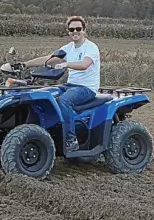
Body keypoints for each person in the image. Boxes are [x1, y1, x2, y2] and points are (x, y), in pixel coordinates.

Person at [20, 15, 100, 154]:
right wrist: (24, 64)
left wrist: (66, 64)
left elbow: (84, 64)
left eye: (78, 29)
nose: (75, 31)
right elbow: (49, 59)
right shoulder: (68, 48)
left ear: (84, 30)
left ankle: (70, 140)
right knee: (42, 95)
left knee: (64, 101)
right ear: (68, 31)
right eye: (71, 29)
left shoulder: (90, 47)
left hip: (86, 88)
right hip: (70, 85)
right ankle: (38, 131)